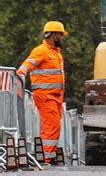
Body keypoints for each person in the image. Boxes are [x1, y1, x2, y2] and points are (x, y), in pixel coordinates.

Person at [16, 21, 67, 164]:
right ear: (54, 35)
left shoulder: (56, 53)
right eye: (61, 35)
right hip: (45, 95)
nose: (62, 38)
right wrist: (20, 78)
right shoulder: (41, 51)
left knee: (52, 126)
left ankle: (48, 157)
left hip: (56, 96)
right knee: (52, 125)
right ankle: (46, 159)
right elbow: (25, 66)